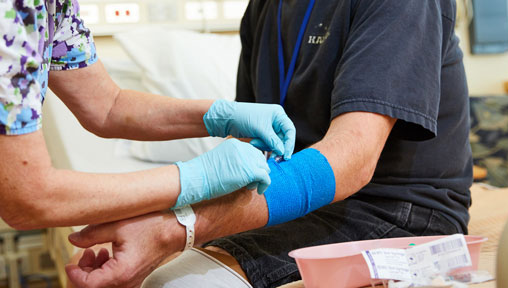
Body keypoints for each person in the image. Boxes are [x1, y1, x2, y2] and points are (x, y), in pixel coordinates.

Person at [66, 0, 473, 287]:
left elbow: (352, 161)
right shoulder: (265, 8)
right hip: (301, 205)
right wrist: (175, 222)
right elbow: (253, 149)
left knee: (173, 283)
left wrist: (180, 226)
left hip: (394, 210)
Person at [0, 2, 296, 233]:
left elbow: (108, 106)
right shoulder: (11, 11)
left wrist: (219, 116)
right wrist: (198, 178)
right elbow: (28, 197)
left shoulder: (53, 6)